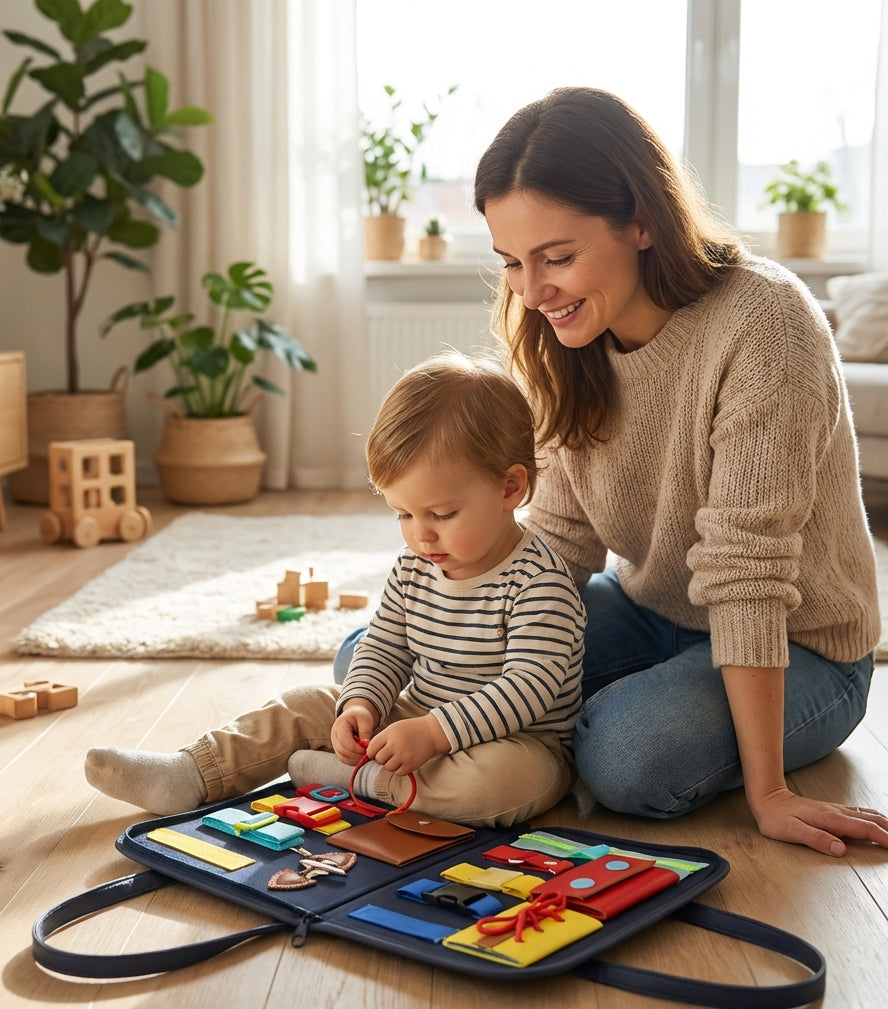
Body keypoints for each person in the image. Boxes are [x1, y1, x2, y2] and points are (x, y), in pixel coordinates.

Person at [459, 85, 885, 857]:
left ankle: (565, 732)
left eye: (557, 257)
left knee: (628, 759)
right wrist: (465, 626)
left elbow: (746, 572)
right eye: (513, 262)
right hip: (651, 608)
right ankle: (561, 723)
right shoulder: (560, 335)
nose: (532, 291)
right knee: (384, 656)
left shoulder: (764, 322)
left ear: (643, 220)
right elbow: (560, 541)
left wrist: (771, 794)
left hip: (802, 646)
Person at [86, 352, 586, 828]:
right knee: (307, 702)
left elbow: (529, 690)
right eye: (404, 514)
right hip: (418, 718)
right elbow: (385, 646)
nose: (420, 534)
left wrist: (436, 734)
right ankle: (193, 773)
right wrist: (361, 706)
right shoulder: (416, 565)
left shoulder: (539, 583)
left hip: (520, 743)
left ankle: (355, 781)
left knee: (497, 783)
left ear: (509, 489)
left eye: (441, 514)